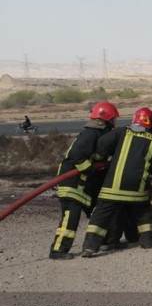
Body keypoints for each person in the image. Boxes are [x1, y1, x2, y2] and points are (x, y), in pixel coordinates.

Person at [81, 107, 152, 256]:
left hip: (113, 189)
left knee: (100, 217)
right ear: (149, 123)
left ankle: (90, 248)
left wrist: (99, 158)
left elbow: (103, 144)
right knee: (143, 214)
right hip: (137, 191)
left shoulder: (120, 132)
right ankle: (147, 242)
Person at [49, 101, 119, 260]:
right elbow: (77, 156)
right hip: (72, 184)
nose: (115, 123)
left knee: (98, 214)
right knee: (70, 219)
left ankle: (103, 241)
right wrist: (91, 169)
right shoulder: (91, 134)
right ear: (107, 119)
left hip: (82, 187)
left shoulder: (97, 134)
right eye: (114, 119)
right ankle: (57, 251)